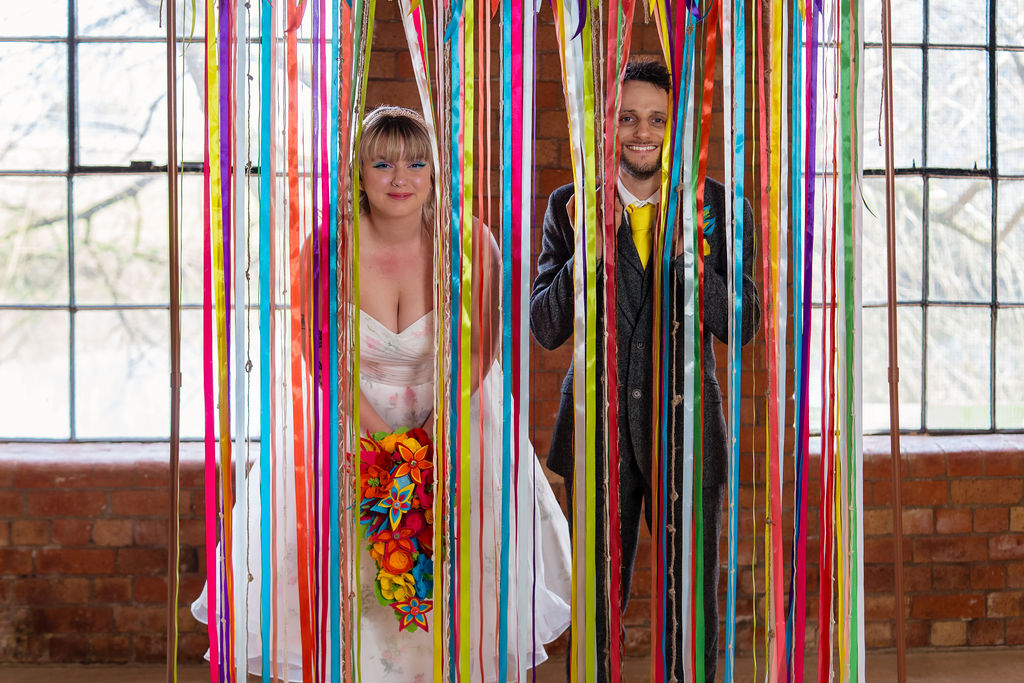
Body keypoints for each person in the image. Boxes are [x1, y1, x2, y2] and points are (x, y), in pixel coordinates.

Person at [193, 106, 572, 682]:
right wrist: (381, 439)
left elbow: (483, 347)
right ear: (359, 173)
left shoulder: (471, 241)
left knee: (457, 570)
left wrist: (434, 432)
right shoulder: (326, 245)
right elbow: (317, 349)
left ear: (434, 172)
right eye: (383, 163)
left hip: (457, 414)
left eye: (416, 163)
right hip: (354, 417)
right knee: (353, 573)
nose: (401, 178)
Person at [529, 60, 760, 682]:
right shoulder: (570, 204)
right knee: (598, 605)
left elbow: (742, 323)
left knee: (694, 610)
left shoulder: (717, 205)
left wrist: (690, 262)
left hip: (687, 432)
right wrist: (586, 256)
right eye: (627, 118)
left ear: (677, 127)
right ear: (607, 126)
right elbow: (545, 328)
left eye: (656, 120)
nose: (641, 133)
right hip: (597, 432)